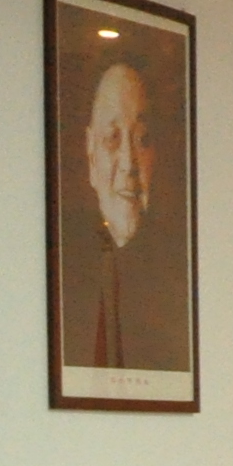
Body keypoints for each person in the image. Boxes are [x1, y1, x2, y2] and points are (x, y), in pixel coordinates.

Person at [58, 54, 189, 373]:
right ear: (90, 152)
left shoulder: (176, 274)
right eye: (112, 139)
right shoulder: (64, 266)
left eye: (143, 140)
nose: (130, 162)